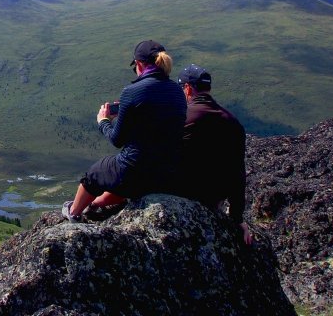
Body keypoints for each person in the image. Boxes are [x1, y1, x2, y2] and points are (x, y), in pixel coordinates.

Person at [62, 40, 187, 221]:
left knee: (96, 173)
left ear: (139, 64)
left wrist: (104, 121)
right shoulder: (178, 91)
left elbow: (117, 140)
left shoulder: (132, 91)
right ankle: (95, 205)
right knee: (118, 175)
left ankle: (73, 213)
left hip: (135, 172)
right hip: (165, 175)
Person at [176, 63, 253, 245]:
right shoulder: (232, 122)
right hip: (213, 199)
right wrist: (236, 218)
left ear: (187, 88)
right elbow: (237, 174)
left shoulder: (183, 117)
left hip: (183, 195)